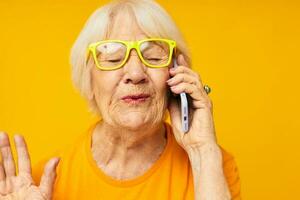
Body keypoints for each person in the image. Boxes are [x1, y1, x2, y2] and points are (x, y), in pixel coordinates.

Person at [0, 0, 241, 199]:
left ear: (177, 72)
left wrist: (202, 152)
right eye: (113, 58)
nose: (135, 75)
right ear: (88, 78)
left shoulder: (212, 168)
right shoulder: (42, 183)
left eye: (154, 56)